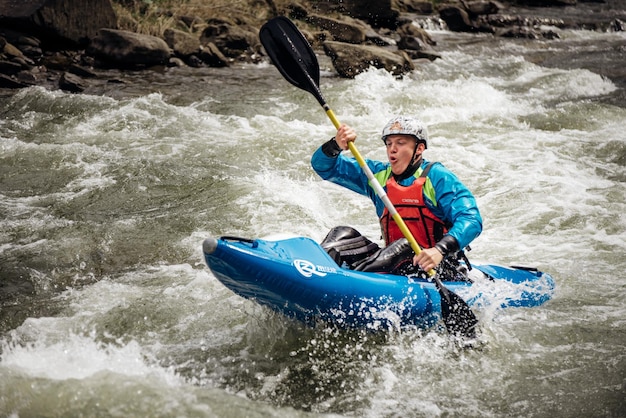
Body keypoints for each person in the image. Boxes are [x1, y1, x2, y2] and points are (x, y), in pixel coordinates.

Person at [311, 116, 483, 280]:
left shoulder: (438, 177)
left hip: (435, 266)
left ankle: (351, 282)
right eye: (389, 143)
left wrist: (440, 249)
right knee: (342, 233)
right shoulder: (377, 176)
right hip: (392, 261)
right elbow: (324, 167)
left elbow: (471, 219)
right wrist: (336, 144)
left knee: (405, 246)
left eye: (400, 143)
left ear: (419, 148)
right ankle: (315, 273)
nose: (392, 149)